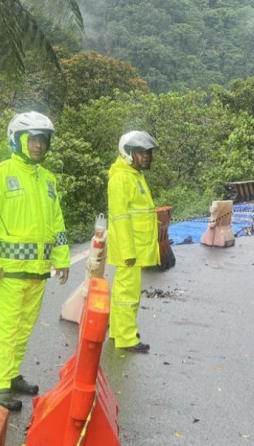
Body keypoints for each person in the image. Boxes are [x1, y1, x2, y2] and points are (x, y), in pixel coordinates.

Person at [0, 112, 70, 410]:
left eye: (43, 140)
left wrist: (62, 258)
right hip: (7, 272)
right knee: (6, 327)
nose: (39, 146)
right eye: (33, 139)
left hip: (38, 271)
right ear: (17, 141)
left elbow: (57, 223)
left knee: (24, 327)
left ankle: (12, 375)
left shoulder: (48, 180)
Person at [107, 130, 160, 353]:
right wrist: (128, 251)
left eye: (148, 153)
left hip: (136, 247)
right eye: (141, 152)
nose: (146, 157)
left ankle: (119, 331)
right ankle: (127, 338)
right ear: (128, 153)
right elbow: (119, 217)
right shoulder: (121, 178)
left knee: (125, 292)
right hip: (130, 250)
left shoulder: (133, 175)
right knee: (127, 295)